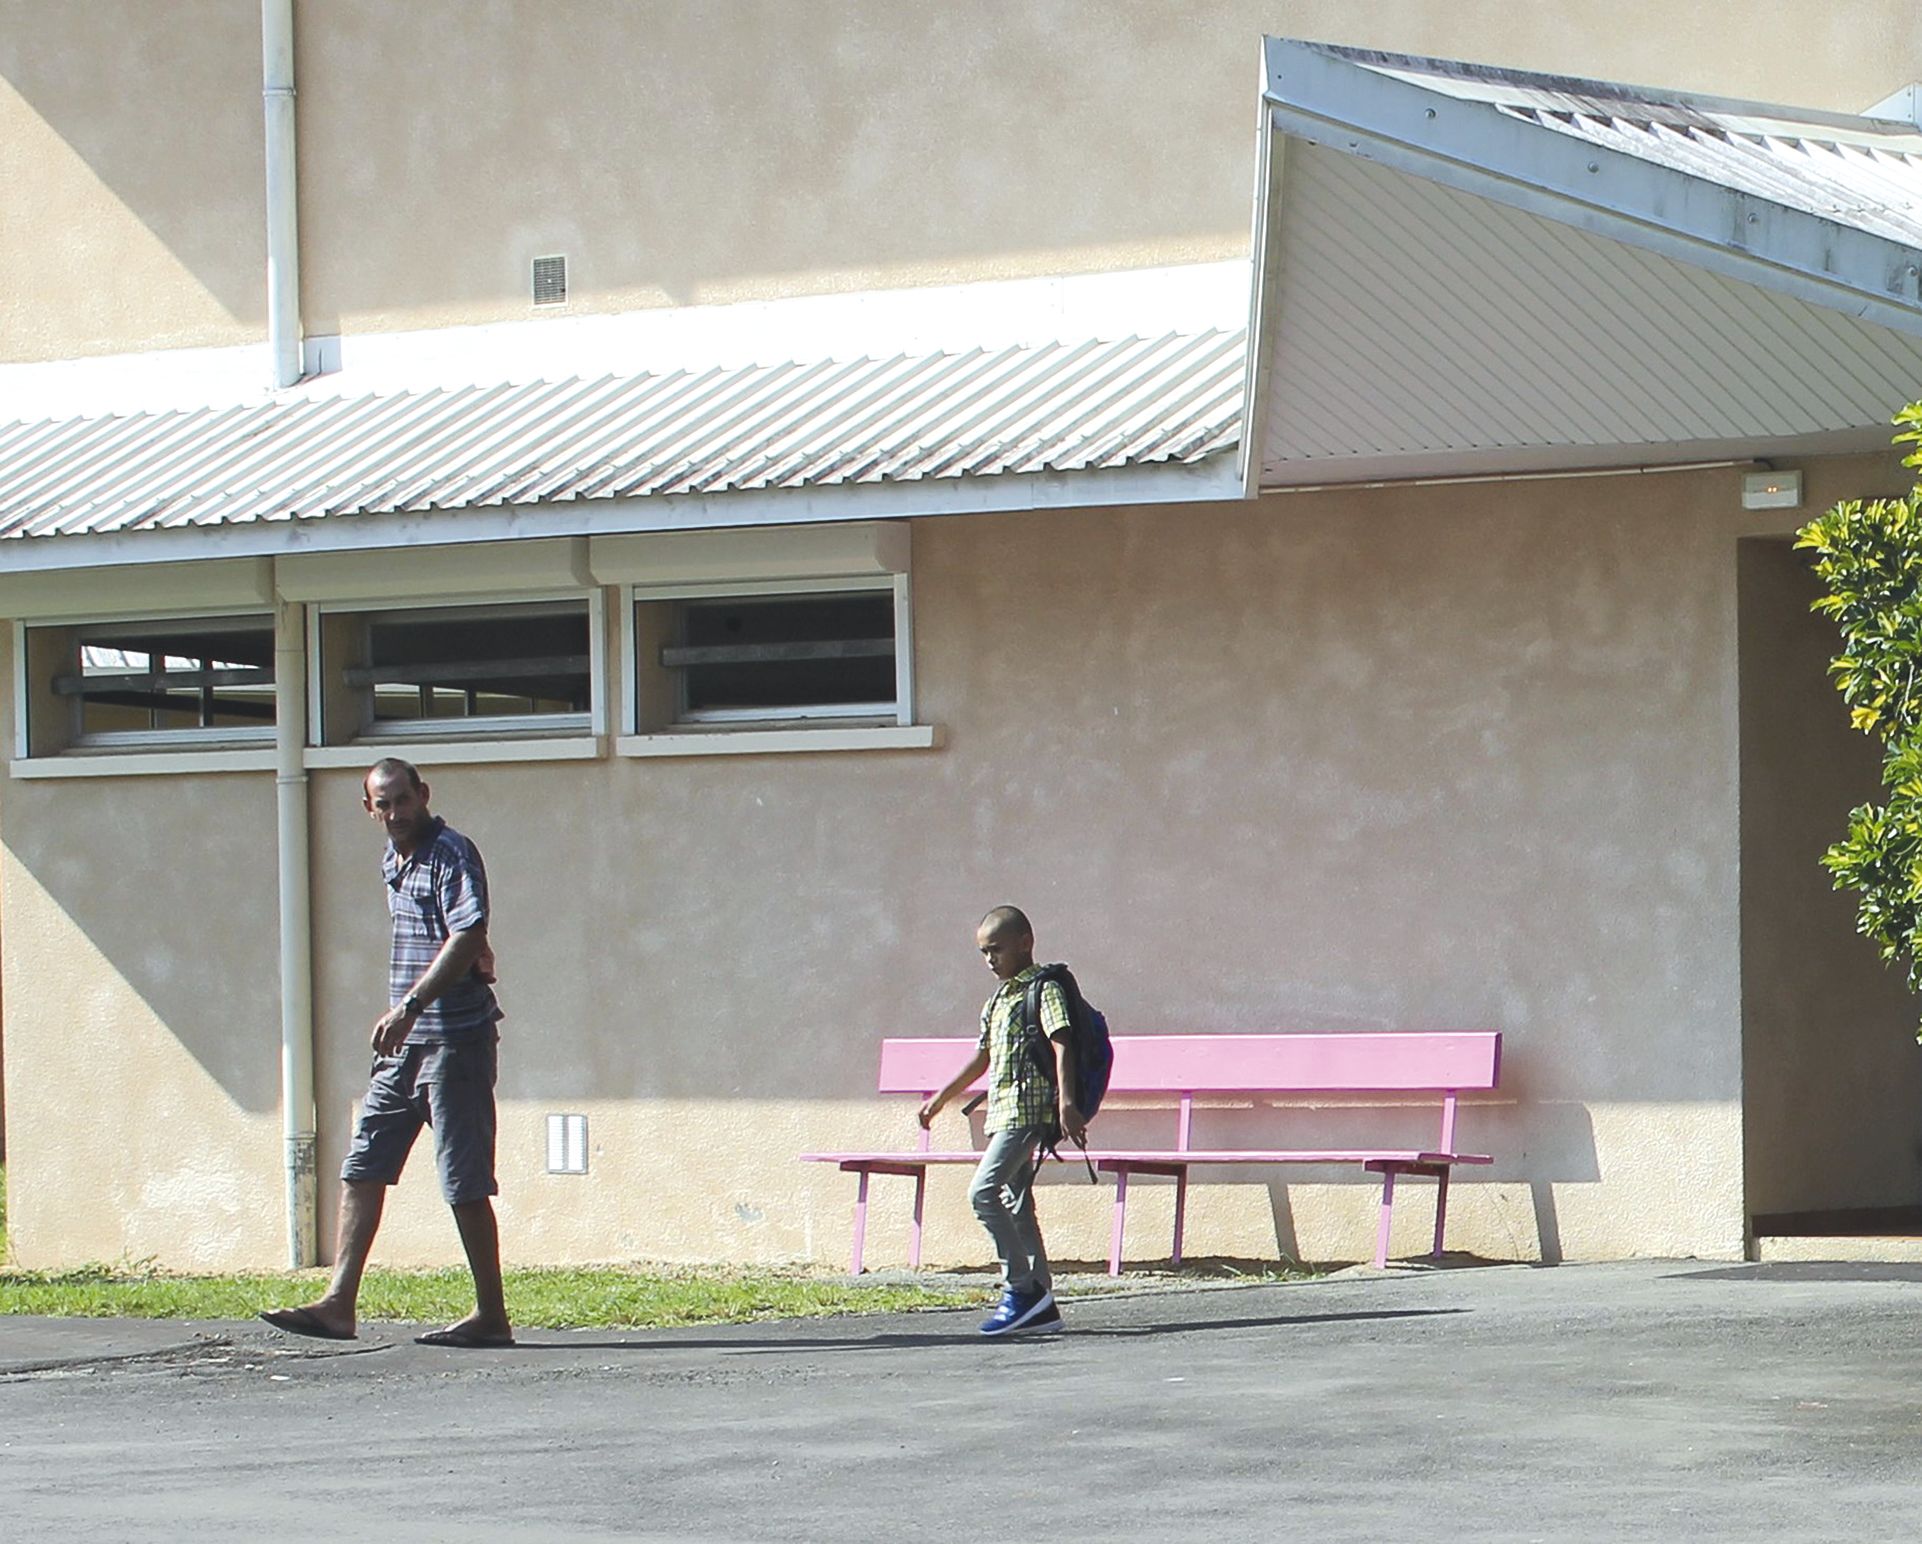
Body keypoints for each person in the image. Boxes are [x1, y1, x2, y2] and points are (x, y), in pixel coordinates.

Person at [261, 757, 512, 1348]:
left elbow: (468, 933)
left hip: (454, 1042)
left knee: (464, 1181)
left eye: (404, 799)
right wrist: (405, 1018)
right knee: (363, 1166)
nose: (396, 812)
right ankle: (338, 1304)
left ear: (423, 794)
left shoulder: (452, 854)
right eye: (384, 804)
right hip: (403, 1049)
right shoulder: (393, 859)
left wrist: (411, 1006)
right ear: (369, 809)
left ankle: (491, 1316)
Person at [919, 905, 1083, 1337]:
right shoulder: (998, 999)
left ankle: (1021, 1290)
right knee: (1016, 1203)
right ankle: (1041, 1301)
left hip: (1028, 1114)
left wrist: (1067, 1103)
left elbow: (1062, 1042)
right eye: (984, 953)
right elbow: (982, 1056)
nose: (990, 959)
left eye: (997, 949)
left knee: (982, 1193)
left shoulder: (1044, 989)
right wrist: (941, 1098)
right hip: (1003, 1113)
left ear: (1025, 944)